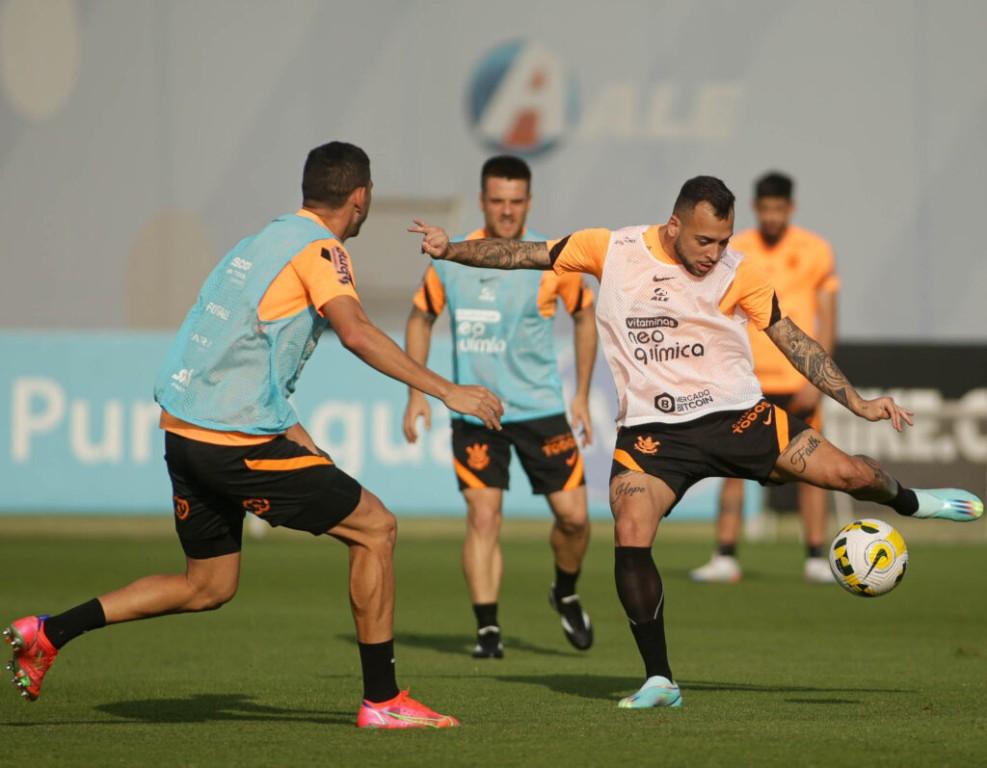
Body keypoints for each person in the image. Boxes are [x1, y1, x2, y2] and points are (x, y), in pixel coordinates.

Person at [409, 175, 984, 710]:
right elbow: (522, 256)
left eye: (724, 240)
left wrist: (855, 400)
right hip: (652, 437)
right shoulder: (609, 249)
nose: (715, 252)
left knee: (854, 476)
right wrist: (449, 248)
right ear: (675, 224)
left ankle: (914, 503)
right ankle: (660, 677)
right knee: (630, 529)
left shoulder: (740, 271)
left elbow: (793, 339)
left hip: (738, 418)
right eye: (706, 240)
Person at [3, 141, 504, 730]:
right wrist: (449, 391)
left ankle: (49, 632)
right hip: (232, 442)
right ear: (361, 197)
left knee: (207, 585)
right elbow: (358, 332)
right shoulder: (322, 249)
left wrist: (297, 436)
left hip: (186, 431)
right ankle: (383, 700)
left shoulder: (261, 241)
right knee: (376, 528)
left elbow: (238, 354)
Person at [402, 156, 597, 658]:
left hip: (539, 409)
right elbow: (420, 319)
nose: (506, 212)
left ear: (528, 203)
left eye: (516, 202)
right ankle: (488, 630)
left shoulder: (553, 259)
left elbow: (585, 316)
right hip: (476, 413)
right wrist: (417, 393)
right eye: (497, 201)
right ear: (482, 200)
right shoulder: (452, 260)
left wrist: (579, 395)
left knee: (575, 519)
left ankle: (566, 590)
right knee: (484, 516)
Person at [691, 172, 840, 584]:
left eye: (780, 209)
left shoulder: (816, 250)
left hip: (798, 380)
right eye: (766, 209)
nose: (772, 216)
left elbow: (826, 316)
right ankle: (724, 555)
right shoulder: (735, 249)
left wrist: (817, 378)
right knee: (732, 468)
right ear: (756, 209)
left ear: (790, 209)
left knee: (815, 468)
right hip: (747, 379)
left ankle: (814, 555)